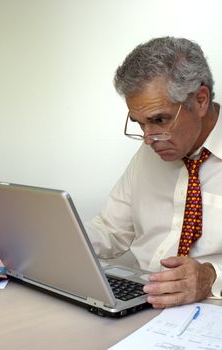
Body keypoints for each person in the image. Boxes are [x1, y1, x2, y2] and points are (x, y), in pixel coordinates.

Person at [87, 36, 222, 308]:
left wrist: (211, 276)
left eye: (159, 120)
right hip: (141, 304)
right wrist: (39, 243)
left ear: (201, 99)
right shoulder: (150, 153)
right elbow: (110, 231)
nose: (149, 139)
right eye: (140, 124)